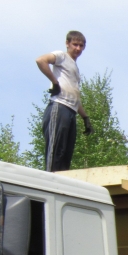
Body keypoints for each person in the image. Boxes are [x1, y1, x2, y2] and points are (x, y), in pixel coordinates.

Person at [35, 31, 94, 172]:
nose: (78, 48)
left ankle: (61, 186)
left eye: (81, 46)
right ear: (67, 44)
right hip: (59, 107)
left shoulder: (75, 69)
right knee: (55, 151)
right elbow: (41, 60)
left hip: (71, 112)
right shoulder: (62, 56)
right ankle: (49, 182)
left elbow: (75, 98)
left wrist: (85, 117)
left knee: (65, 155)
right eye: (75, 44)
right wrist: (54, 82)